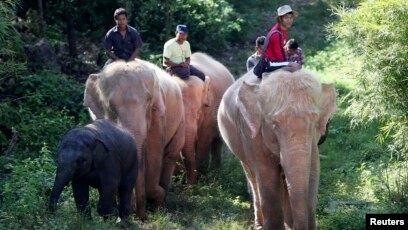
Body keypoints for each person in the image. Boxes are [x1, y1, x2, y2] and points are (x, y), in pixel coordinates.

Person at [262, 5, 301, 75]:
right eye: (286, 18)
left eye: (291, 18)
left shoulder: (283, 30)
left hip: (275, 61)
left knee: (295, 64)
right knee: (296, 66)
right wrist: (288, 64)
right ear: (280, 19)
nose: (289, 20)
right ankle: (271, 75)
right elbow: (279, 55)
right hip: (270, 63)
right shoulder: (276, 34)